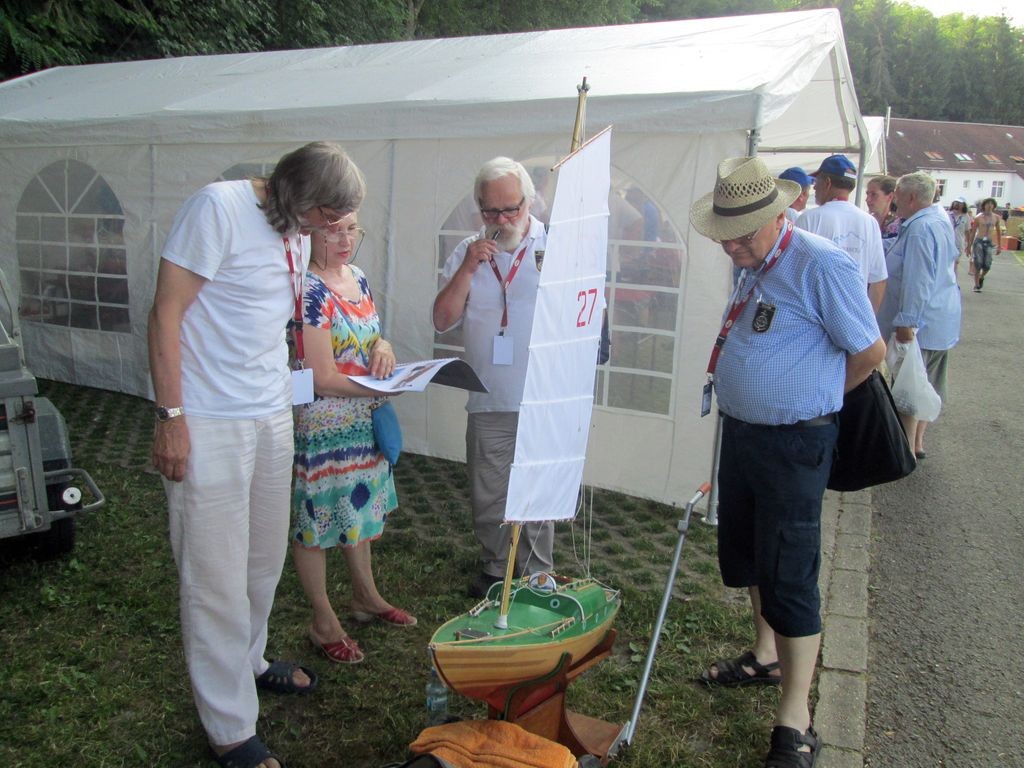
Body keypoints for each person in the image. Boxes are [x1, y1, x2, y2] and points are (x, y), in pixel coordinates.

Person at [149, 141, 365, 768]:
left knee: (262, 560)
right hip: (209, 418)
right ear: (296, 193)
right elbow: (164, 315)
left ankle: (249, 662)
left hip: (270, 413)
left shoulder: (294, 227)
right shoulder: (217, 209)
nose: (328, 229)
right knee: (214, 576)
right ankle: (228, 727)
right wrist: (171, 418)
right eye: (325, 216)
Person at [691, 156, 884, 768]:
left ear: (780, 215)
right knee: (751, 553)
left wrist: (816, 400)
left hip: (796, 444)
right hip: (745, 437)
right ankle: (766, 654)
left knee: (791, 570)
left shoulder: (821, 263)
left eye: (742, 234)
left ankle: (795, 719)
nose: (732, 245)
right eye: (725, 234)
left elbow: (870, 352)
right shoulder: (755, 261)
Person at [291, 212, 416, 668]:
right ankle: (323, 621)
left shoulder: (357, 277)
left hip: (363, 419)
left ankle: (366, 596)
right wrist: (384, 388)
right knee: (316, 522)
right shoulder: (308, 290)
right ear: (310, 231)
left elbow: (371, 338)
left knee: (356, 510)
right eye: (334, 230)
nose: (345, 239)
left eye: (352, 229)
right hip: (326, 426)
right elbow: (321, 378)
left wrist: (384, 348)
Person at [432, 157, 553, 599]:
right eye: (490, 211)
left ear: (529, 201)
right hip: (488, 393)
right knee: (488, 488)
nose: (501, 221)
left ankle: (538, 572)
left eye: (511, 209)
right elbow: (442, 320)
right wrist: (467, 268)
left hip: (541, 395)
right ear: (479, 207)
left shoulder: (554, 245)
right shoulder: (469, 250)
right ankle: (497, 566)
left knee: (538, 487)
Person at [877, 172, 961, 459]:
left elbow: (918, 279)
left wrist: (907, 321)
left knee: (908, 389)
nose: (895, 202)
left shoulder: (920, 228)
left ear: (911, 197)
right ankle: (916, 444)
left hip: (922, 323)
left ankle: (905, 451)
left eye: (898, 196)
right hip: (941, 319)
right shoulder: (937, 218)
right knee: (926, 386)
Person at [797, 154, 887, 312]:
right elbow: (878, 279)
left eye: (816, 182)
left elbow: (794, 273)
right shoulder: (870, 222)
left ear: (827, 183)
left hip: (815, 313)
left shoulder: (809, 218)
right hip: (854, 314)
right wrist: (869, 321)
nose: (814, 188)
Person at [966, 197, 1002, 292]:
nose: (989, 206)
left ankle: (982, 277)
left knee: (987, 264)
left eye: (991, 204)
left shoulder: (996, 217)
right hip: (979, 241)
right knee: (978, 263)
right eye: (987, 204)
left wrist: (999, 246)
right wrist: (969, 246)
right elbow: (973, 232)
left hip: (989, 242)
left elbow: (999, 232)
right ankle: (976, 285)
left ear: (994, 206)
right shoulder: (978, 217)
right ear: (984, 206)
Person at [865, 175, 901, 241]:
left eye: (874, 194)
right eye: (867, 194)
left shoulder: (898, 226)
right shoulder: (865, 221)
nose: (867, 199)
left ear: (890, 196)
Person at [948, 199, 970, 275]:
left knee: (955, 263)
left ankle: (954, 280)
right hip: (947, 242)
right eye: (956, 202)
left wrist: (968, 245)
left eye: (960, 203)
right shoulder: (947, 214)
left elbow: (967, 231)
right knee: (948, 263)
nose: (958, 204)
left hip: (958, 243)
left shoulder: (966, 216)